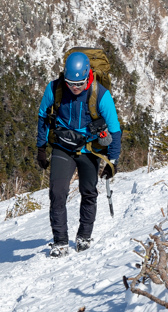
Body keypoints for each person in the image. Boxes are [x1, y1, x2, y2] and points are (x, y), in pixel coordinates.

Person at [35, 50, 121, 257]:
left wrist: (112, 161)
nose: (74, 88)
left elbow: (115, 129)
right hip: (62, 147)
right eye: (70, 84)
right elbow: (42, 117)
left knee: (89, 192)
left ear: (88, 76)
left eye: (79, 84)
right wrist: (41, 148)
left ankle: (84, 236)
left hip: (89, 149)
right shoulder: (54, 88)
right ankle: (60, 242)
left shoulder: (100, 94)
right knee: (57, 193)